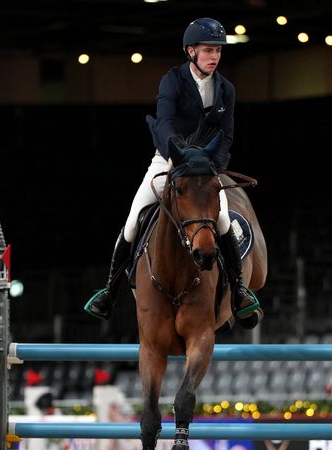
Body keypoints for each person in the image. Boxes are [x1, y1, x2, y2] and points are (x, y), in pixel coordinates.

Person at [84, 18, 260, 326]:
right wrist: (177, 154)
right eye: (208, 50)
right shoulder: (173, 81)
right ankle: (109, 290)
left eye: (218, 50)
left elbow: (227, 136)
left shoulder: (226, 89)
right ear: (191, 51)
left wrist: (210, 164)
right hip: (169, 161)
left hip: (204, 170)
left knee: (221, 220)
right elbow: (164, 122)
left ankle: (240, 291)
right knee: (133, 218)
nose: (214, 56)